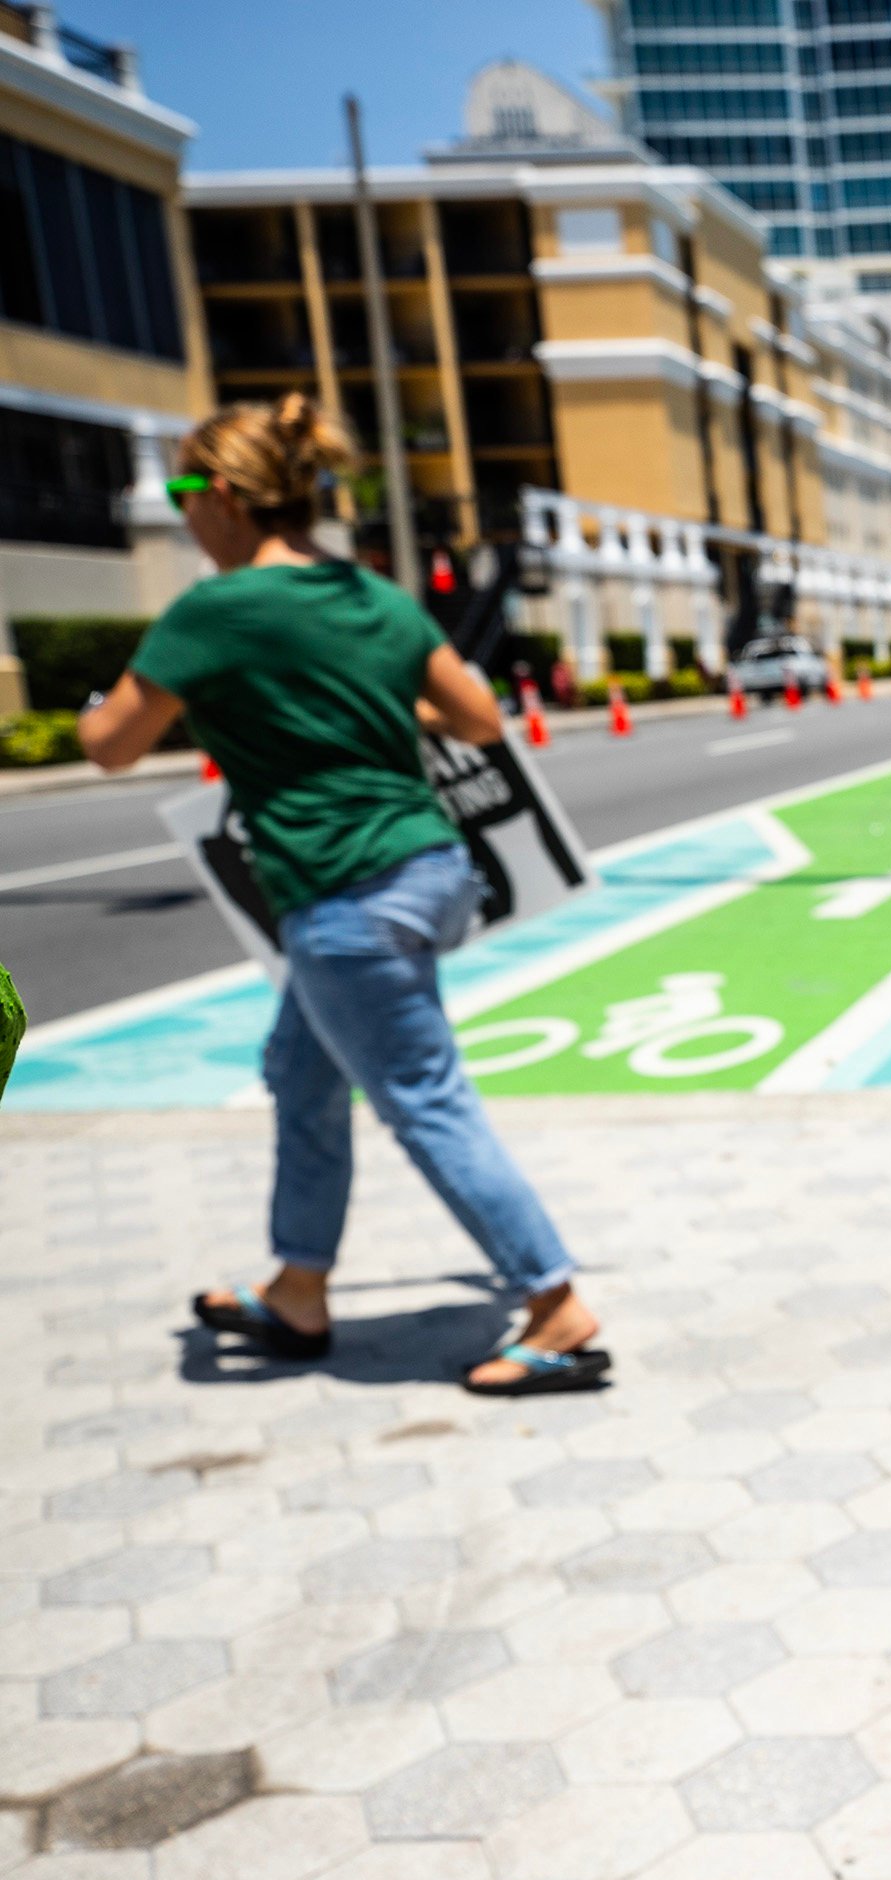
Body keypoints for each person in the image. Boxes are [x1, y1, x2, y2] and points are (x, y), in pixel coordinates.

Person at [78, 395, 609, 1394]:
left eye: (186, 489)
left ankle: (555, 1307)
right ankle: (298, 1288)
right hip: (427, 869)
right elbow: (481, 720)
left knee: (423, 1097)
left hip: (343, 892)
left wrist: (91, 711)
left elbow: (113, 747)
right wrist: (367, 701)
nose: (180, 509)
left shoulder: (211, 611)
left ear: (227, 496)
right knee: (302, 1073)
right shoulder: (372, 596)